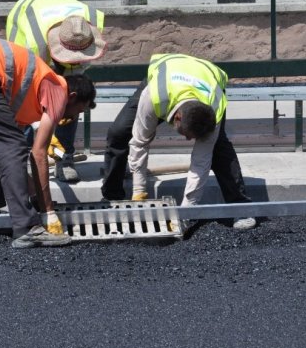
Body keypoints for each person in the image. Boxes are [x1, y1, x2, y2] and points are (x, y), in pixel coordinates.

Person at [0, 36, 97, 248]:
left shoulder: (30, 90)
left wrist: (36, 195)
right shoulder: (59, 89)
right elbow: (37, 154)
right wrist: (48, 211)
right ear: (73, 96)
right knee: (13, 148)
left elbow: (12, 166)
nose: (75, 116)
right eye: (80, 110)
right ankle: (28, 228)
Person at [101, 53, 257, 230]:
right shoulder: (154, 96)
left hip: (208, 79)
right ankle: (112, 195)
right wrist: (139, 191)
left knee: (219, 149)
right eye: (187, 135)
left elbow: (201, 162)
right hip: (165, 76)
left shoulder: (215, 107)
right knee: (119, 133)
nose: (190, 140)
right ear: (176, 117)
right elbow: (139, 143)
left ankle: (240, 206)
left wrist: (187, 210)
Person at [6, 0, 106, 183]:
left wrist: (62, 110)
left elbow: (72, 86)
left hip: (62, 24)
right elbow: (30, 90)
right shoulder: (35, 43)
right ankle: (26, 155)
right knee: (26, 98)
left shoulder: (89, 27)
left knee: (73, 100)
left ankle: (64, 156)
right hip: (24, 18)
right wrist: (40, 124)